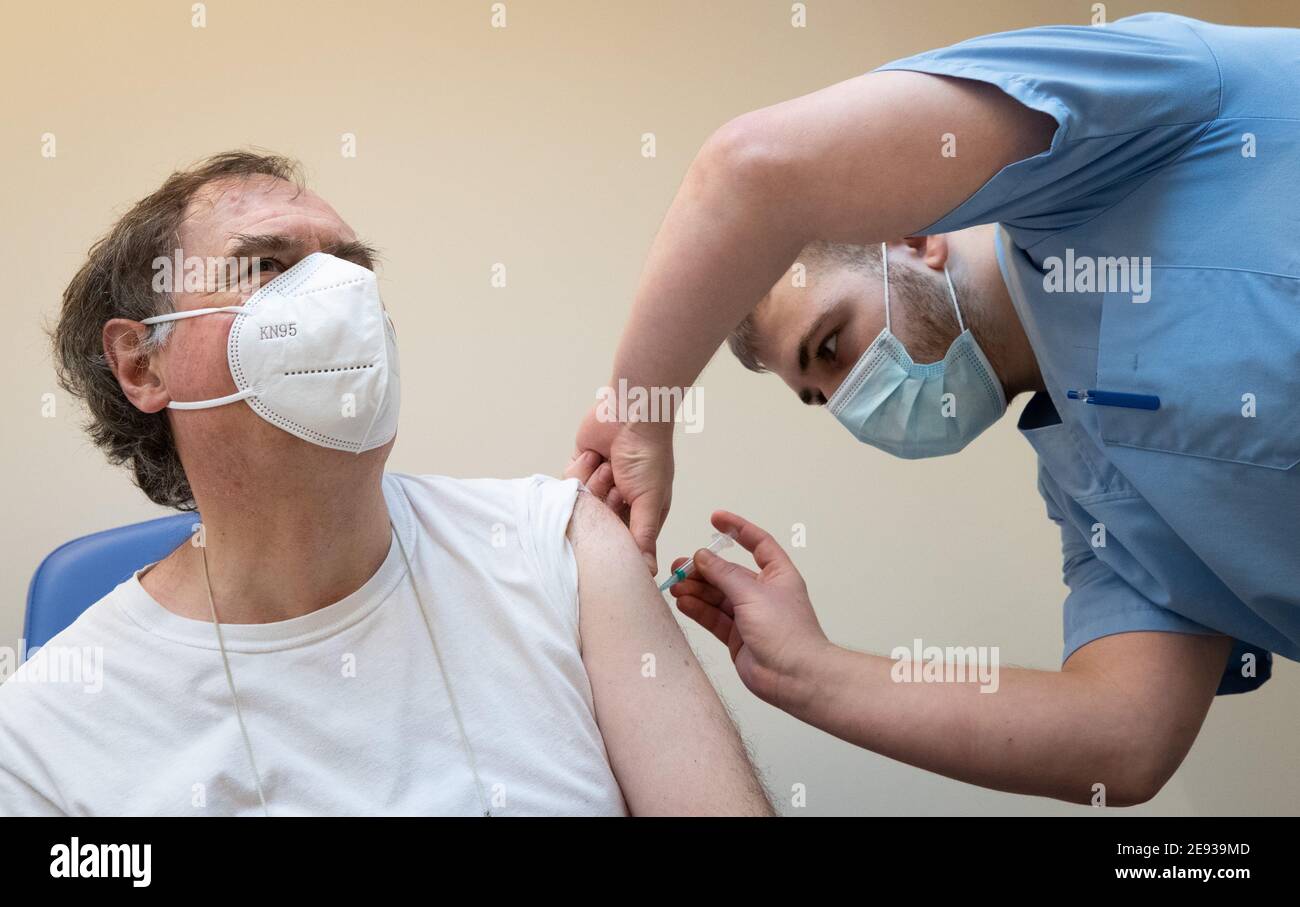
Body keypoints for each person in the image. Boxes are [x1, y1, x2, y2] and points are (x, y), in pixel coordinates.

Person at [567, 12, 1300, 805]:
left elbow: (753, 172)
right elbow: (1123, 738)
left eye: (832, 347)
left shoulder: (1123, 135)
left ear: (910, 236)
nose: (851, 398)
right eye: (820, 397)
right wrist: (804, 670)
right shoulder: (1098, 502)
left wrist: (639, 409)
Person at [0, 151, 772, 816]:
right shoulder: (48, 735)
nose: (340, 298)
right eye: (267, 266)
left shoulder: (556, 548)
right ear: (142, 363)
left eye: (353, 268)